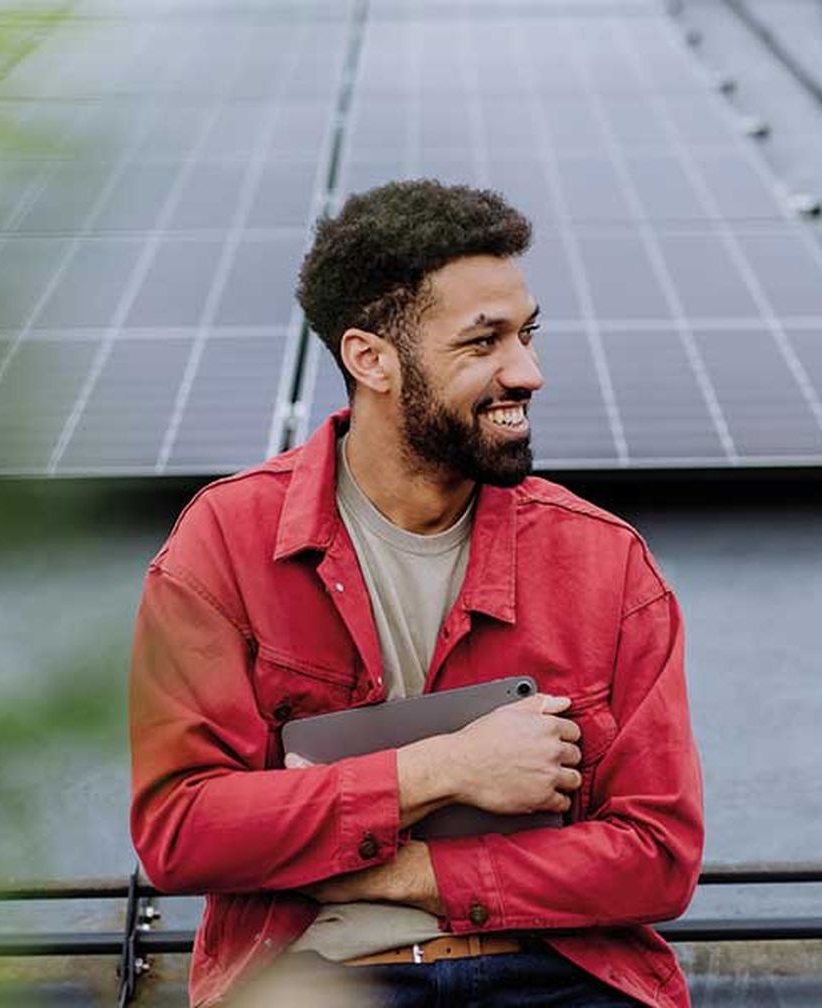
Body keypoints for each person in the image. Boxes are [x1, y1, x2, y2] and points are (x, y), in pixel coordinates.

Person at [129, 180, 703, 1007]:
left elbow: (658, 856)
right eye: (484, 343)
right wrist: (444, 768)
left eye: (528, 334)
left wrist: (421, 872)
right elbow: (181, 832)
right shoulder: (226, 543)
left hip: (562, 974)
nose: (529, 372)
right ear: (372, 359)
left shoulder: (604, 562)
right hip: (325, 980)